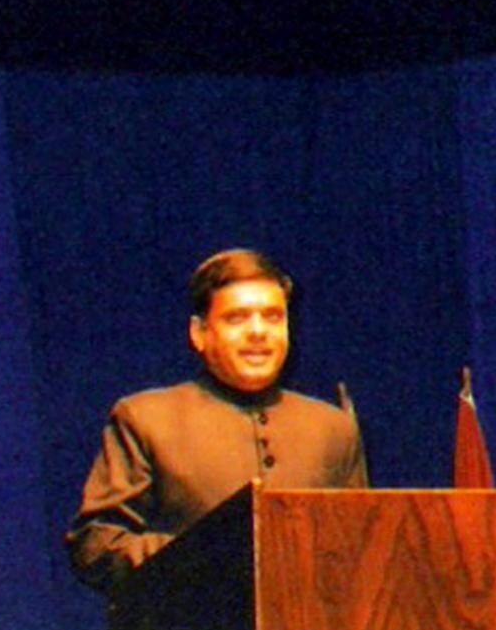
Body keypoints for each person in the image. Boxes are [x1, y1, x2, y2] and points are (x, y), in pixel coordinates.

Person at [65, 248, 369, 592]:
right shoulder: (146, 419)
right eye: (237, 318)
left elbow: (359, 549)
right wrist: (208, 557)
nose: (258, 332)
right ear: (199, 333)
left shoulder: (332, 427)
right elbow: (95, 545)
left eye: (272, 317)